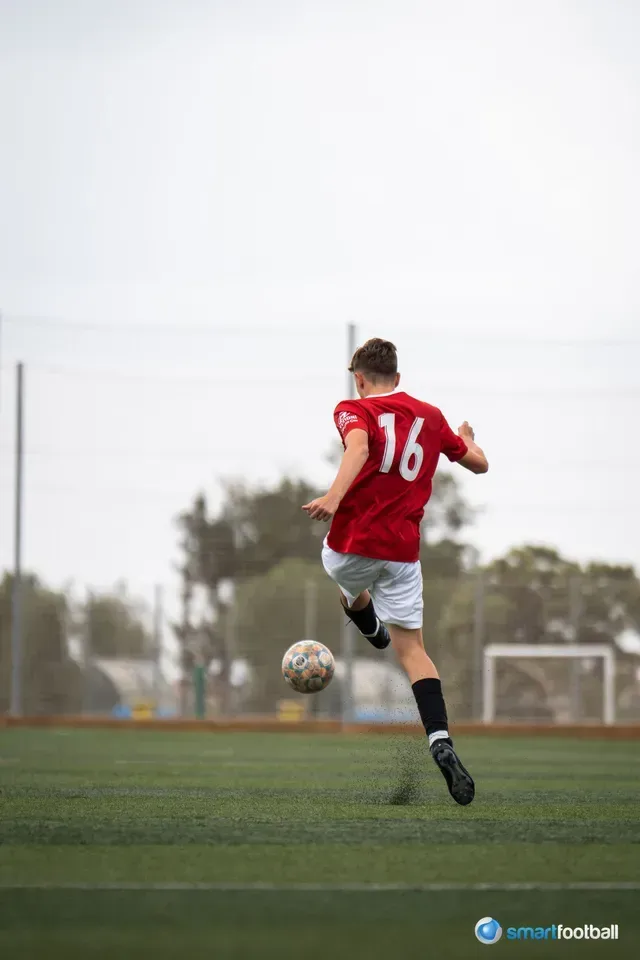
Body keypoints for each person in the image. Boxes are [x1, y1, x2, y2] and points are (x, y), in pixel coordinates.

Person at [302, 338, 488, 805]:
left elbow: (359, 449)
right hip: (403, 552)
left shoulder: (352, 409)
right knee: (415, 652)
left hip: (351, 545)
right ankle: (440, 741)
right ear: (398, 379)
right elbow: (479, 465)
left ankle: (370, 628)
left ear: (359, 379)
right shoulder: (430, 415)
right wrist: (465, 440)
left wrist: (333, 497)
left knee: (347, 586)